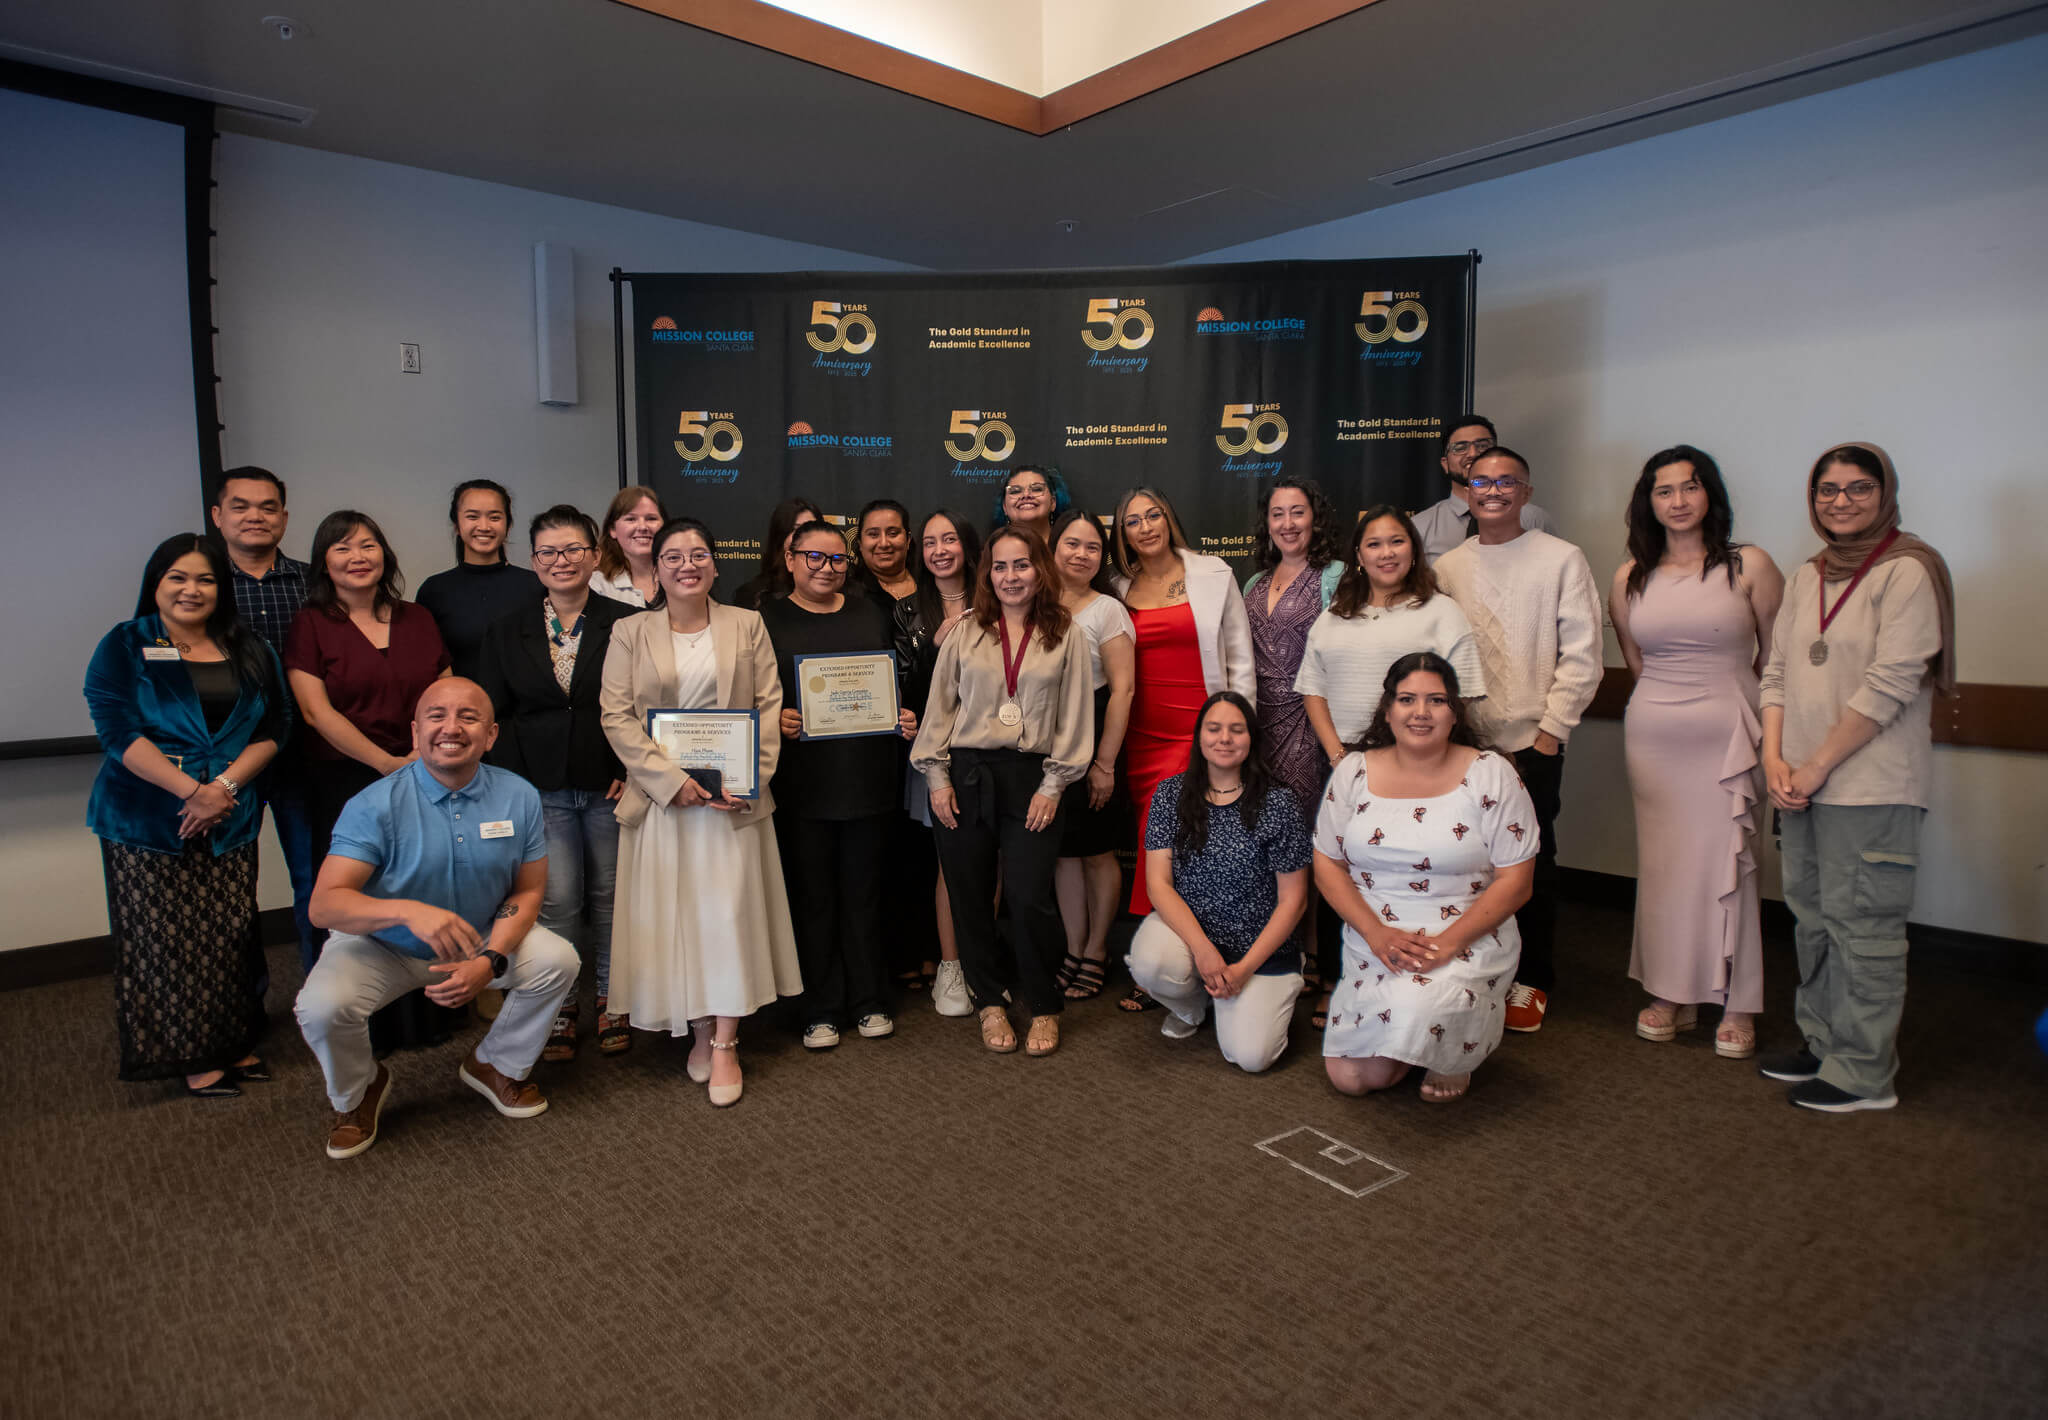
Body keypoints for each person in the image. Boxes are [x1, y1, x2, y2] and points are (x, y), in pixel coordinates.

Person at [295, 678, 579, 1158]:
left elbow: (528, 890)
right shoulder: (373, 804)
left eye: (468, 717)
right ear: (415, 731)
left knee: (560, 961)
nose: (451, 727)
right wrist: (407, 911)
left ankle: (496, 1064)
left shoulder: (519, 796)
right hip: (382, 946)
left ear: (490, 736)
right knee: (321, 1008)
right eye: (436, 716)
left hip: (477, 937)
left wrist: (490, 959)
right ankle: (359, 1090)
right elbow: (324, 905)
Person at [1757, 442, 1954, 1113]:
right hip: (1801, 786)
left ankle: (1866, 1073)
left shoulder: (1908, 571)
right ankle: (1823, 1043)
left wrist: (1811, 768)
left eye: (1857, 488)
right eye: (1827, 489)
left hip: (1870, 787)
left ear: (1885, 493)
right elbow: (1777, 673)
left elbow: (1889, 685)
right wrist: (1775, 761)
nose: (1840, 501)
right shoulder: (1808, 574)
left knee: (1863, 929)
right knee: (1812, 921)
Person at [601, 517, 802, 1106]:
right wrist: (672, 781)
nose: (686, 564)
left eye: (698, 554)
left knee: (726, 918)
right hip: (666, 809)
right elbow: (617, 717)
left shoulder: (747, 624)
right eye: (673, 557)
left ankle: (725, 1043)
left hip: (730, 805)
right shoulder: (630, 632)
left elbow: (768, 705)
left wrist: (745, 779)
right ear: (655, 569)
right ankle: (696, 1027)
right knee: (679, 920)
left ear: (715, 565)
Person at [85, 535, 286, 1097]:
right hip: (146, 820)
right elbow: (117, 731)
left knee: (227, 937)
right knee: (163, 942)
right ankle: (191, 1056)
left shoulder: (249, 648)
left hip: (229, 816)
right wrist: (189, 791)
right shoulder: (125, 645)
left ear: (221, 589)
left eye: (205, 579)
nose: (191, 590)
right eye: (177, 577)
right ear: (156, 582)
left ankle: (231, 1041)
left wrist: (221, 787)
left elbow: (277, 727)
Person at [1612, 447, 1785, 1059]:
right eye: (1665, 491)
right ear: (1649, 502)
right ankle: (1670, 993)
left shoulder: (1751, 565)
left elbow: (1777, 661)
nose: (1678, 500)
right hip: (1656, 737)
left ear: (1710, 494)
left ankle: (1738, 1001)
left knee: (1732, 866)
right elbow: (1638, 664)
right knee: (1664, 869)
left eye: (1690, 487)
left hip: (1730, 734)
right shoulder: (1630, 575)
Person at [1432, 447, 1602, 1033]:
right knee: (1469, 862)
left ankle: (1532, 980)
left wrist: (1551, 734)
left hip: (1534, 742)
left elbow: (1583, 656)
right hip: (1468, 747)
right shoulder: (1449, 567)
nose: (1495, 491)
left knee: (1532, 864)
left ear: (1526, 494)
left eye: (1508, 482)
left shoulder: (1562, 559)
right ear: (1467, 492)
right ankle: (1480, 969)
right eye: (1483, 481)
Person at [1316, 654, 1538, 1103]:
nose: (1420, 712)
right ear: (1388, 709)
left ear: (1454, 712)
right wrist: (1376, 934)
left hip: (1465, 936)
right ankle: (1419, 1034)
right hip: (1378, 939)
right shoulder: (1353, 772)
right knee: (1352, 1079)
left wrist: (1450, 943)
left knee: (1421, 1012)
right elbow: (1327, 864)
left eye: (1436, 700)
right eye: (1407, 699)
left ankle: (1453, 1054)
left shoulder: (1490, 774)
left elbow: (1517, 880)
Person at [1296, 504, 1486, 1025]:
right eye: (1374, 544)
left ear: (1414, 549)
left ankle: (1417, 970)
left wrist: (1423, 755)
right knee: (1343, 872)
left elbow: (1461, 693)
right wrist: (1339, 756)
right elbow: (1312, 688)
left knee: (1405, 872)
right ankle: (1338, 979)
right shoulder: (1335, 614)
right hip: (1348, 767)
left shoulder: (1439, 612)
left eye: (1396, 542)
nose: (1386, 553)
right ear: (1357, 555)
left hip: (1420, 767)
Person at [911, 525, 1092, 1057]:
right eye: (1000, 567)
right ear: (987, 573)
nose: (1011, 577)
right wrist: (937, 778)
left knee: (1029, 896)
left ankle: (1042, 1004)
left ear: (1041, 569)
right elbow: (940, 709)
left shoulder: (1067, 633)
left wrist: (1054, 785)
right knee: (968, 893)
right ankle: (989, 1000)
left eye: (1022, 565)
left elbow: (1077, 716)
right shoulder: (966, 631)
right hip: (966, 774)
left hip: (1033, 779)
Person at [285, 510, 454, 1048]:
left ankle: (431, 1014)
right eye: (342, 548)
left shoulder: (417, 617)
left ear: (385, 554)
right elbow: (316, 711)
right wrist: (385, 764)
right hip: (344, 780)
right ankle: (364, 1021)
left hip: (424, 774)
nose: (357, 557)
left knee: (423, 883)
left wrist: (422, 755)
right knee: (357, 893)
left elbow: (444, 692)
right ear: (324, 562)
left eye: (367, 545)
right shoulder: (311, 623)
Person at [475, 504, 633, 1062]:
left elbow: (644, 706)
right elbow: (494, 713)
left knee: (613, 898)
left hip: (610, 783)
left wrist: (631, 771)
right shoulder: (505, 631)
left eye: (573, 550)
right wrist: (512, 785)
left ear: (594, 555)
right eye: (548, 552)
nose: (561, 561)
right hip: (537, 788)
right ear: (533, 561)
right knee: (558, 900)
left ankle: (615, 999)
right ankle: (560, 1003)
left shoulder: (626, 623)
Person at [760, 522, 919, 1048]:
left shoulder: (869, 613)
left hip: (868, 781)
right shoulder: (766, 620)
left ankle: (870, 1000)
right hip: (804, 786)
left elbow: (888, 684)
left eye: (835, 560)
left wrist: (901, 718)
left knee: (865, 895)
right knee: (814, 898)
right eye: (813, 557)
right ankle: (820, 1008)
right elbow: (750, 695)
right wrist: (774, 717)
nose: (825, 568)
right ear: (791, 559)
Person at [1110, 485, 1255, 1002]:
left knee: (1177, 837)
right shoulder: (1115, 585)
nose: (1146, 526)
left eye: (1154, 515)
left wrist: (1239, 730)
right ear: (1121, 533)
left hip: (1199, 729)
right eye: (1133, 521)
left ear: (1170, 519)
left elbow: (1239, 656)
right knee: (1162, 844)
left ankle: (1176, 963)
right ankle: (1169, 961)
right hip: (1139, 734)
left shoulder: (1213, 573)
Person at [1127, 692, 1310, 1072]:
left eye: (1236, 730)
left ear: (1251, 739)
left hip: (1260, 950)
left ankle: (1244, 994)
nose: (1224, 738)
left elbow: (1294, 901)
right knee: (1150, 963)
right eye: (1214, 729)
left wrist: (1241, 970)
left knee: (1251, 1058)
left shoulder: (1279, 802)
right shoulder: (1170, 795)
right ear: (1199, 737)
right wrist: (1204, 950)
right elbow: (1158, 884)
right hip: (1193, 936)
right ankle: (1193, 1007)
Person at [1240, 479, 1345, 1016]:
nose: (1287, 523)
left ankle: (1326, 964)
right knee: (1276, 845)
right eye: (1278, 514)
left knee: (1314, 845)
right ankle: (1288, 955)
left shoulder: (1334, 577)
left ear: (1315, 519)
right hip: (1259, 728)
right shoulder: (1255, 579)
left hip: (1311, 723)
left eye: (1297, 512)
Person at [209, 465, 318, 970]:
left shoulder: (315, 582)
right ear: (218, 516)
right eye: (241, 506)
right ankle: (242, 1005)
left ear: (284, 517)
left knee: (315, 880)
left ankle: (323, 994)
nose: (255, 516)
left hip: (308, 755)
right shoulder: (203, 586)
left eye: (267, 507)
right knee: (228, 888)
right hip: (228, 761)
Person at [894, 509, 985, 1016]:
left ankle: (979, 962)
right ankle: (950, 967)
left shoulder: (996, 595)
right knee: (951, 862)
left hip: (993, 749)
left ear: (967, 546)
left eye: (949, 539)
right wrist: (936, 642)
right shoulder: (910, 610)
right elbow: (901, 688)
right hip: (937, 752)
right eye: (930, 542)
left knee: (988, 861)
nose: (940, 550)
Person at [1048, 508, 1135, 1000]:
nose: (1081, 555)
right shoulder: (1033, 601)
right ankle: (1073, 947)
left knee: (1099, 853)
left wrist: (1105, 764)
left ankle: (1098, 949)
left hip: (1096, 740)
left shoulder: (1108, 610)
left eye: (1092, 548)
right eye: (1072, 544)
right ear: (1053, 548)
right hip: (1047, 748)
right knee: (1064, 855)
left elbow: (1122, 691)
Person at [415, 479, 543, 679]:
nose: (484, 526)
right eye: (472, 516)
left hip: (527, 708)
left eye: (494, 517)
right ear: (457, 525)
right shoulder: (434, 591)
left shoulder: (536, 585)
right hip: (461, 706)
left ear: (508, 524)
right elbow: (426, 663)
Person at [1410, 416, 1556, 563]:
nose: (1473, 453)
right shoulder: (1419, 527)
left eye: (1482, 445)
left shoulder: (1536, 519)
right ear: (1445, 464)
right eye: (1460, 447)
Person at [731, 496, 822, 610]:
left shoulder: (840, 586)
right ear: (780, 536)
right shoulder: (755, 595)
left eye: (811, 529)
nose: (805, 537)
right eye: (796, 530)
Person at [588, 485, 669, 609]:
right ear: (612, 529)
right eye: (631, 519)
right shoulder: (596, 584)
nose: (642, 527)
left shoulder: (681, 576)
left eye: (651, 519)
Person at [853, 497, 917, 606]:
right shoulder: (849, 593)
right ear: (860, 543)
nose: (884, 544)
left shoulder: (932, 583)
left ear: (908, 539)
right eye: (873, 534)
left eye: (893, 533)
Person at [989, 464, 1071, 546]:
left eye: (1036, 489)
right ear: (1005, 507)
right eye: (1016, 491)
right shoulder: (992, 553)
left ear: (1053, 502)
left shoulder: (1070, 550)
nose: (1026, 495)